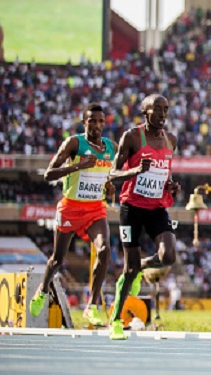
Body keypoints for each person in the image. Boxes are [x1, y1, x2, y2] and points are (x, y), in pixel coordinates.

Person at [29, 103, 116, 327]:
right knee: (58, 259)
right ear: (84, 122)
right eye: (92, 121)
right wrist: (76, 167)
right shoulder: (74, 143)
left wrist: (110, 186)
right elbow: (49, 174)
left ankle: (92, 305)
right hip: (70, 207)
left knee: (105, 250)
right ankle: (42, 289)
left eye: (100, 121)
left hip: (95, 208)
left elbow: (113, 174)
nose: (97, 125)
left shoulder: (110, 147)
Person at [107, 94, 181, 340]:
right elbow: (113, 175)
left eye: (166, 109)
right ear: (145, 113)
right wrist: (136, 170)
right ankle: (115, 321)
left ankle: (141, 269)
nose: (162, 114)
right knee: (129, 268)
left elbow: (164, 173)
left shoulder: (171, 140)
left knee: (168, 255)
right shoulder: (132, 137)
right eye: (157, 109)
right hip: (132, 208)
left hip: (157, 207)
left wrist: (171, 185)